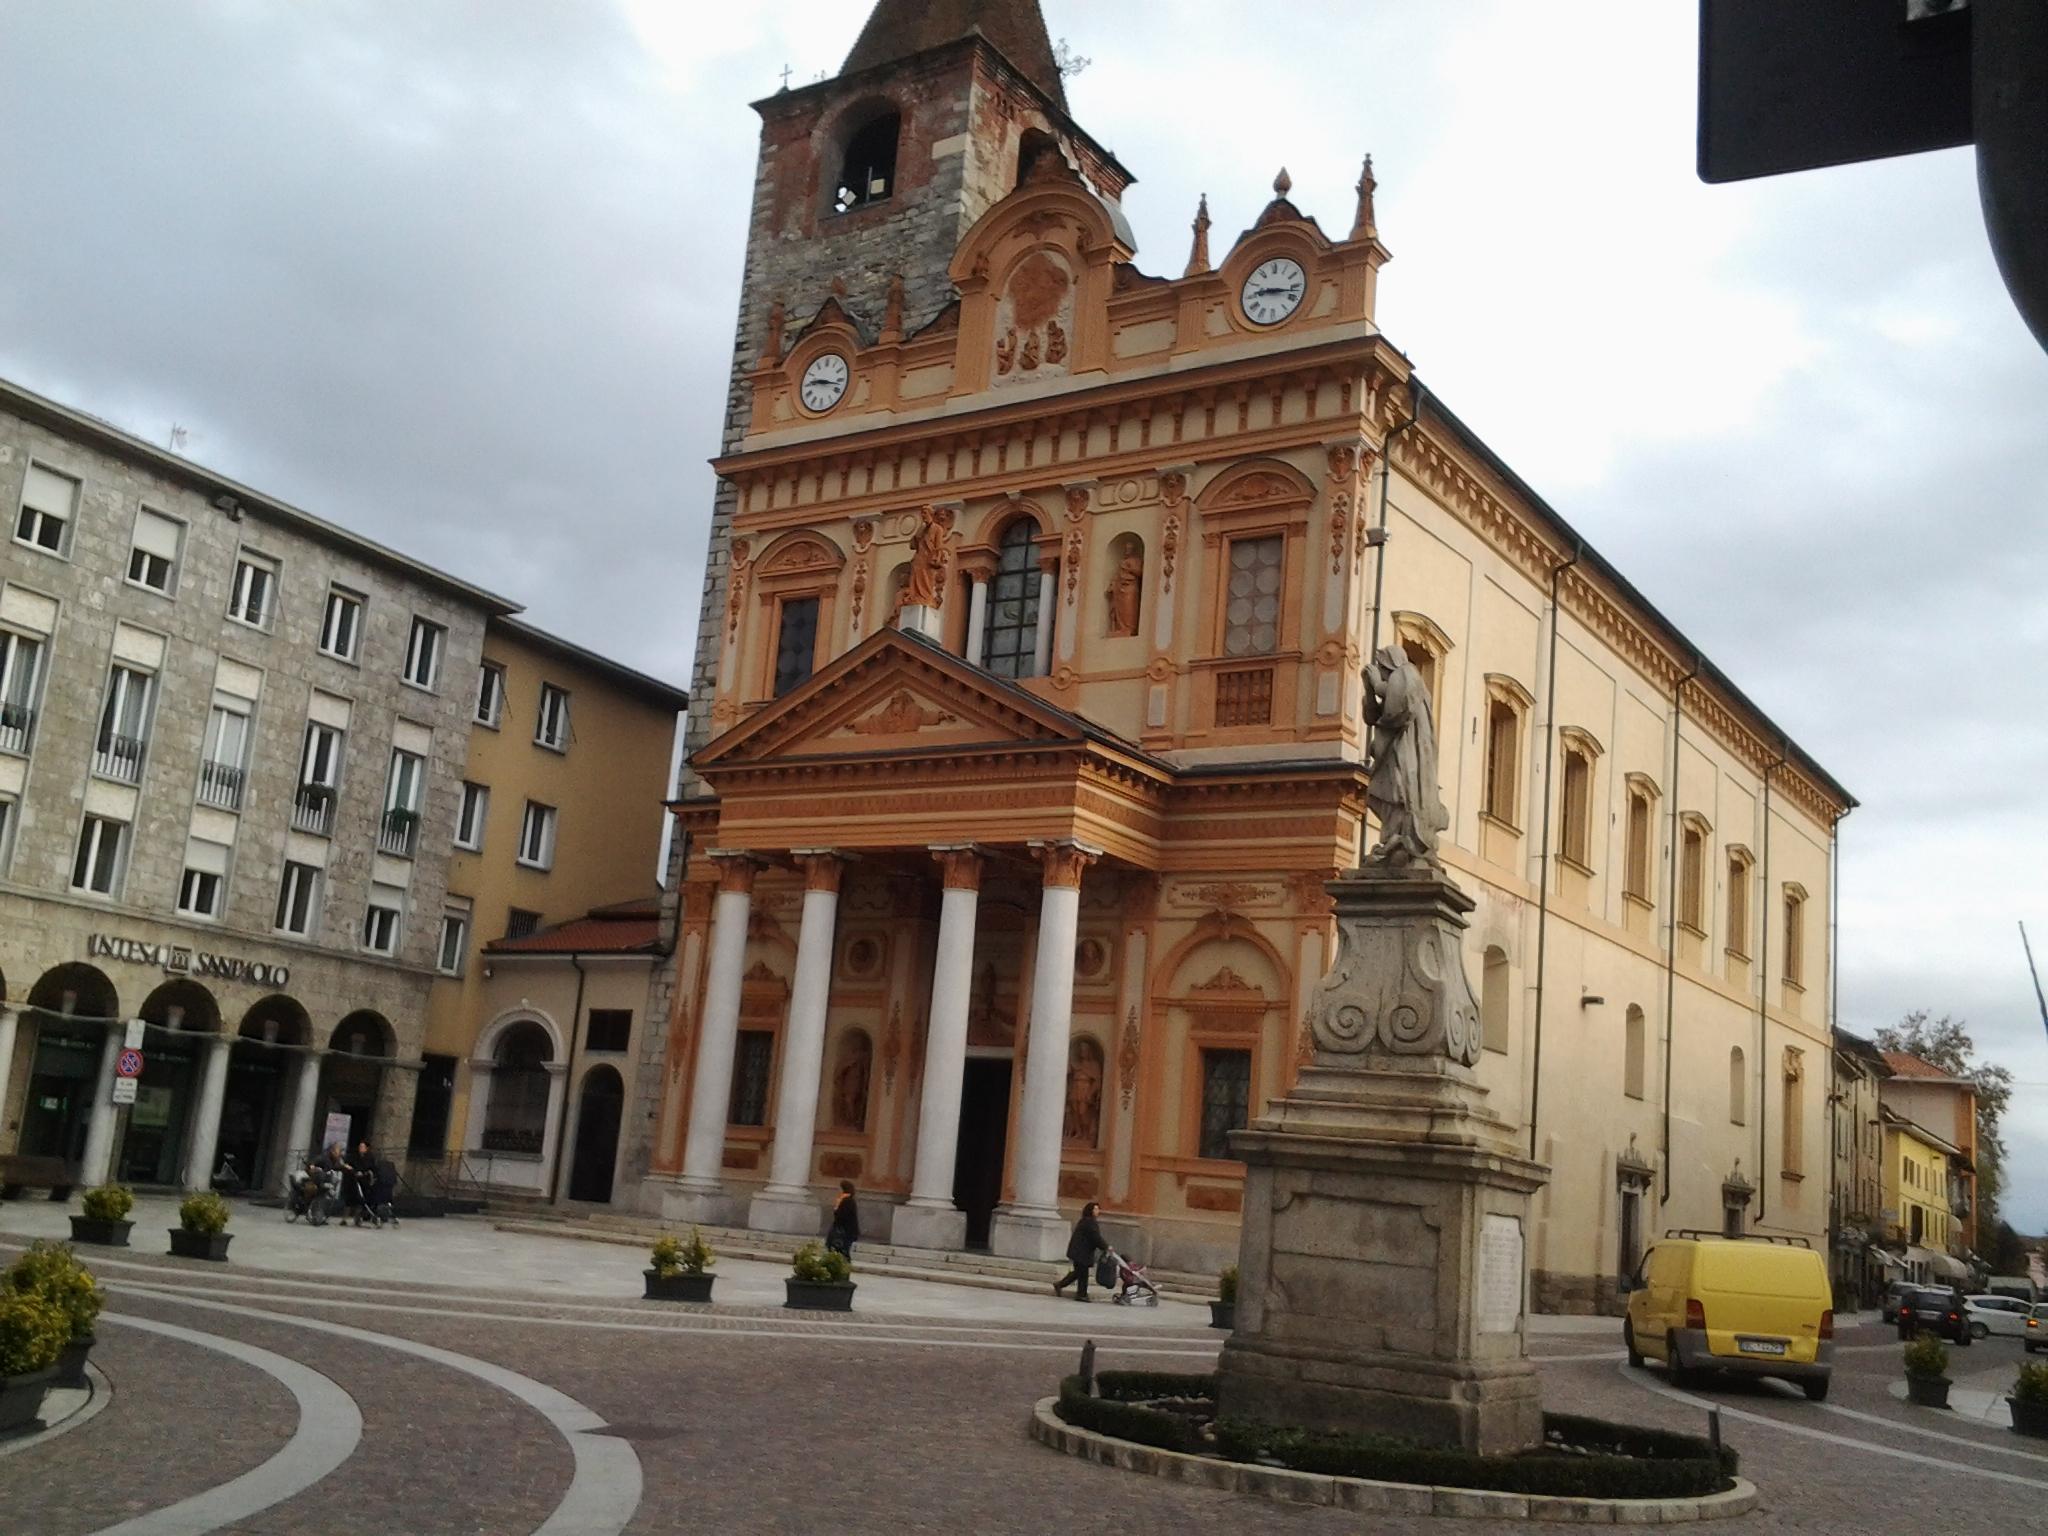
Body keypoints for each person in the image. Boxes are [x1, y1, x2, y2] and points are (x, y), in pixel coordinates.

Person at [1053, 1201, 1106, 1302]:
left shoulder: (1085, 1221)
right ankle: (1081, 1294)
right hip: (1081, 1252)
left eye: (1098, 1209)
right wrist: (1106, 1247)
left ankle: (1060, 1285)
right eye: (1095, 1209)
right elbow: (1096, 1238)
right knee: (1083, 1274)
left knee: (1078, 1272)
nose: (1097, 1211)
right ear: (1090, 1210)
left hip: (1079, 1252)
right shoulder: (1090, 1222)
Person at [826, 1179, 860, 1261]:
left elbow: (841, 1216)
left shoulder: (846, 1200)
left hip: (845, 1231)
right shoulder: (847, 1199)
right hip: (846, 1231)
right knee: (840, 1251)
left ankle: (843, 1268)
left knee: (842, 1251)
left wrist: (836, 1209)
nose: (838, 1190)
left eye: (839, 1188)